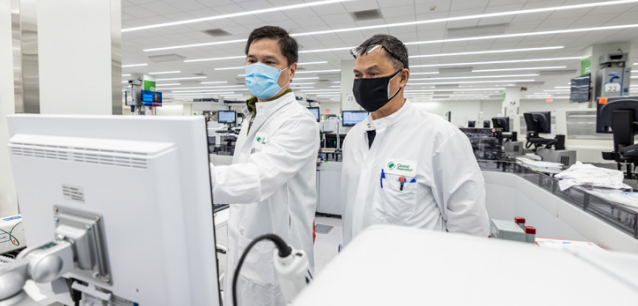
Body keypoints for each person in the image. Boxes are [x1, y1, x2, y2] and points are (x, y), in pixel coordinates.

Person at [341, 34, 489, 245]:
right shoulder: (354, 136)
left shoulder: (441, 137)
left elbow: (469, 223)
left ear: (402, 78)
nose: (363, 83)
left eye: (373, 74)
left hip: (414, 272)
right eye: (358, 75)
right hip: (356, 263)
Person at [210, 26, 319, 306]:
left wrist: (194, 178)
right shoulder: (252, 116)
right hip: (244, 245)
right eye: (251, 60)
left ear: (290, 71)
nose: (258, 68)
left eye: (269, 62)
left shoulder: (298, 121)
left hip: (275, 254)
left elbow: (258, 177)